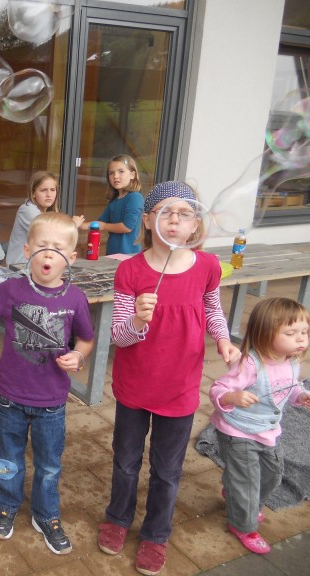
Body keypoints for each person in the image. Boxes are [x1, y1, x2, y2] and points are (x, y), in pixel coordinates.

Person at [96, 181, 240, 576]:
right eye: (165, 212)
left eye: (184, 213)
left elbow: (213, 309)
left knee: (167, 469)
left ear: (195, 225)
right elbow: (118, 338)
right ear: (148, 220)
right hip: (135, 385)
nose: (174, 219)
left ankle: (157, 533)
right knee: (125, 461)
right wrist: (138, 320)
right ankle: (118, 518)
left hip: (180, 387)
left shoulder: (208, 267)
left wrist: (224, 341)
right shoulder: (129, 270)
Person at [0, 211, 95, 556]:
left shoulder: (75, 298)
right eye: (42, 246)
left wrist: (78, 357)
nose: (49, 254)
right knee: (8, 459)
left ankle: (46, 514)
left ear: (71, 257)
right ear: (27, 249)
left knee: (49, 464)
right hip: (11, 398)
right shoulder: (11, 289)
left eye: (58, 248)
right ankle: (7, 505)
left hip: (52, 401)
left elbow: (85, 340)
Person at [209, 297, 310, 555]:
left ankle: (236, 490)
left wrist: (301, 396)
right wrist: (233, 397)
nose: (300, 339)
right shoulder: (249, 364)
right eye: (291, 333)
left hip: (268, 431)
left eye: (304, 332)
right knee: (248, 480)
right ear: (265, 333)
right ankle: (243, 525)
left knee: (273, 475)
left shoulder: (291, 361)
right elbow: (218, 389)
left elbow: (290, 387)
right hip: (238, 432)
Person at [5, 171, 85, 267]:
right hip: (20, 268)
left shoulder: (43, 212)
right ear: (33, 193)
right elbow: (50, 235)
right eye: (43, 190)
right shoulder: (28, 210)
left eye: (52, 190)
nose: (49, 194)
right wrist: (73, 225)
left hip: (35, 266)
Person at [79, 154, 143, 255]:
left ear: (132, 175)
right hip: (112, 253)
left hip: (129, 255)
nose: (115, 176)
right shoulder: (114, 201)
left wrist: (104, 226)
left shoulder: (134, 197)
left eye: (121, 171)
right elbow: (99, 223)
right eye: (111, 173)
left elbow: (127, 226)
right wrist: (80, 225)